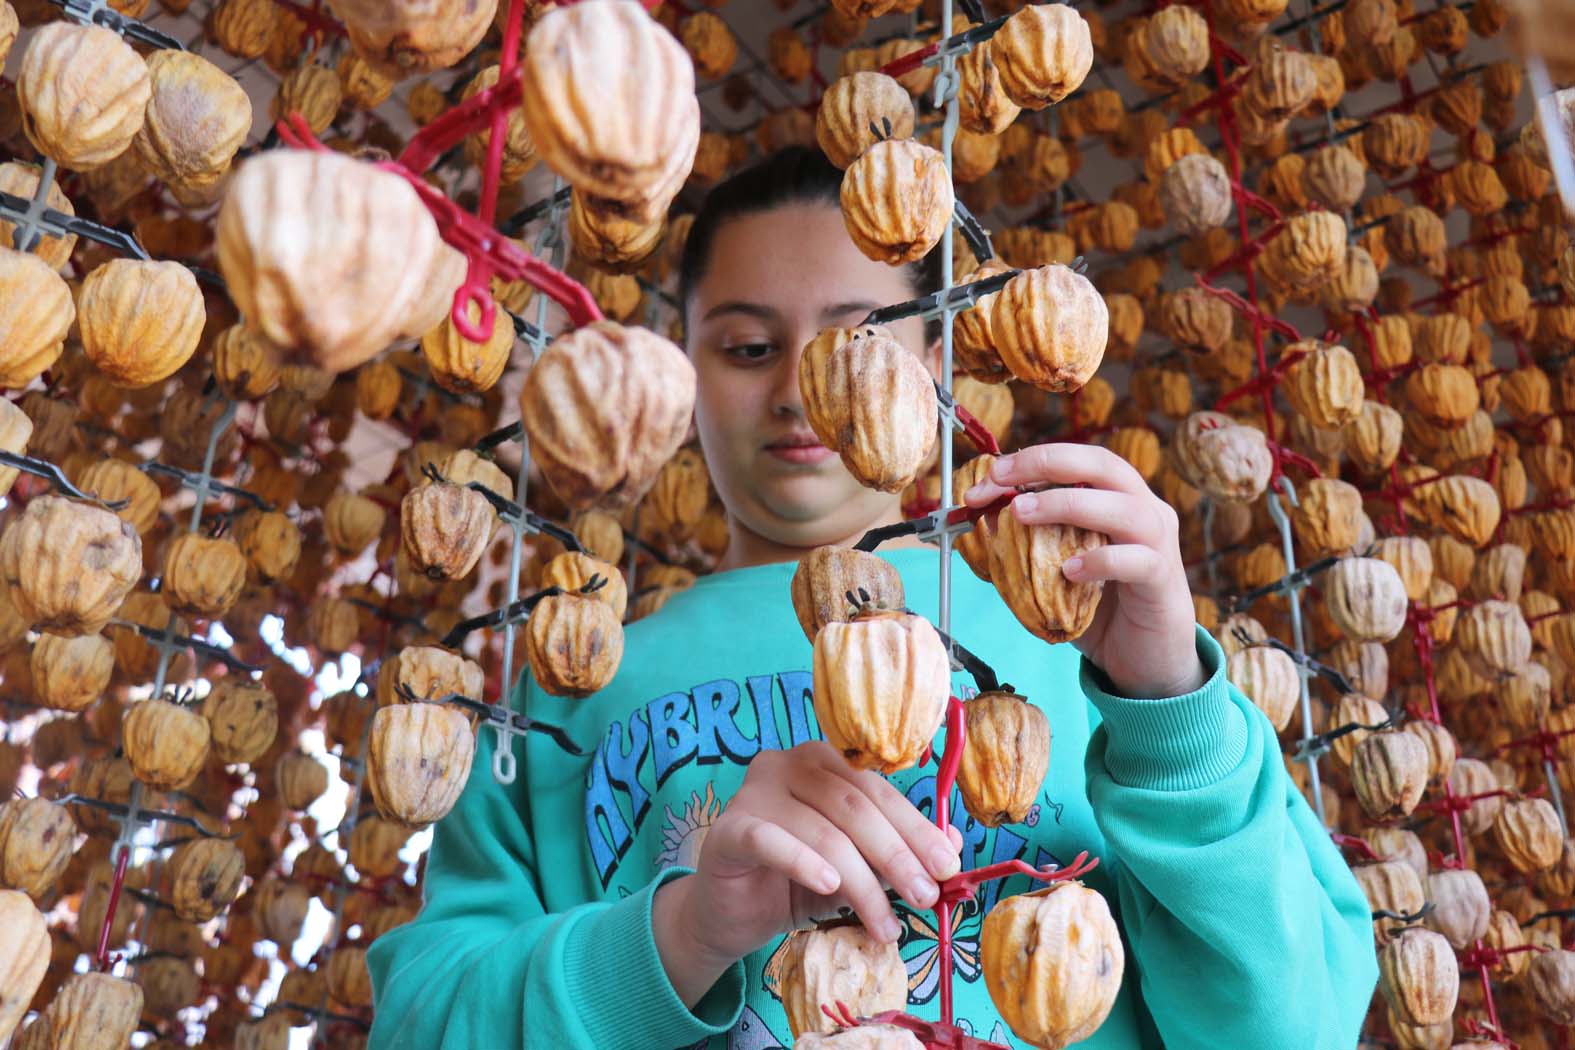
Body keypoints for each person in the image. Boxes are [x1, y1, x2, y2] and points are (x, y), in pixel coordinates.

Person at [366, 146, 1378, 1050]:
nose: (805, 390)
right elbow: (421, 1026)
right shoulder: (561, 687)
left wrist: (1166, 709)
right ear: (684, 374)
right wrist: (684, 933)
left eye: (862, 338)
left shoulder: (1105, 655)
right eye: (748, 348)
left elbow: (1302, 1026)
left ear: (937, 364)